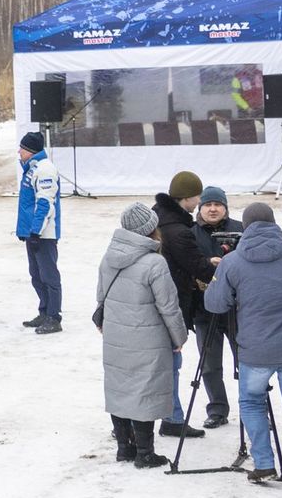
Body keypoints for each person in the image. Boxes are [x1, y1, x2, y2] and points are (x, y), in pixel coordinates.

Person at [203, 201, 282, 492]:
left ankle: (263, 463)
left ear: (246, 227)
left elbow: (215, 303)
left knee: (252, 404)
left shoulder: (233, 261)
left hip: (254, 350)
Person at [95, 202, 186, 469]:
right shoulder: (155, 263)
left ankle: (125, 448)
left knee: (120, 387)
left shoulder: (108, 256)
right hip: (149, 339)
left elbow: (101, 296)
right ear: (151, 229)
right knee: (145, 390)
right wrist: (179, 337)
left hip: (116, 335)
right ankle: (145, 453)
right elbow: (168, 307)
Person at [150, 171, 215, 439]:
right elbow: (196, 267)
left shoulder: (160, 218)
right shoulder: (177, 230)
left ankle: (170, 416)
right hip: (171, 304)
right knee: (171, 363)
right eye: (198, 196)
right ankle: (172, 418)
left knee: (164, 363)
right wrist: (212, 266)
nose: (200, 202)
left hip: (158, 303)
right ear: (187, 198)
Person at [192, 186, 243, 428]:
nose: (213, 209)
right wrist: (205, 264)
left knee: (246, 361)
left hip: (238, 309)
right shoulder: (191, 233)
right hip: (205, 310)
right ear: (200, 208)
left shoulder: (240, 229)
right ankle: (217, 409)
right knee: (210, 364)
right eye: (208, 205)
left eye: (218, 205)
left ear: (225, 207)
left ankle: (253, 407)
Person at [16, 131, 63, 333]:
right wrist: (24, 230)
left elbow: (44, 204)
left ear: (30, 151)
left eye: (22, 148)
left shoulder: (45, 170)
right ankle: (44, 311)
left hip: (44, 233)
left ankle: (54, 317)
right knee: (36, 275)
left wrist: (35, 231)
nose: (19, 151)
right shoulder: (32, 169)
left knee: (49, 276)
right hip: (34, 232)